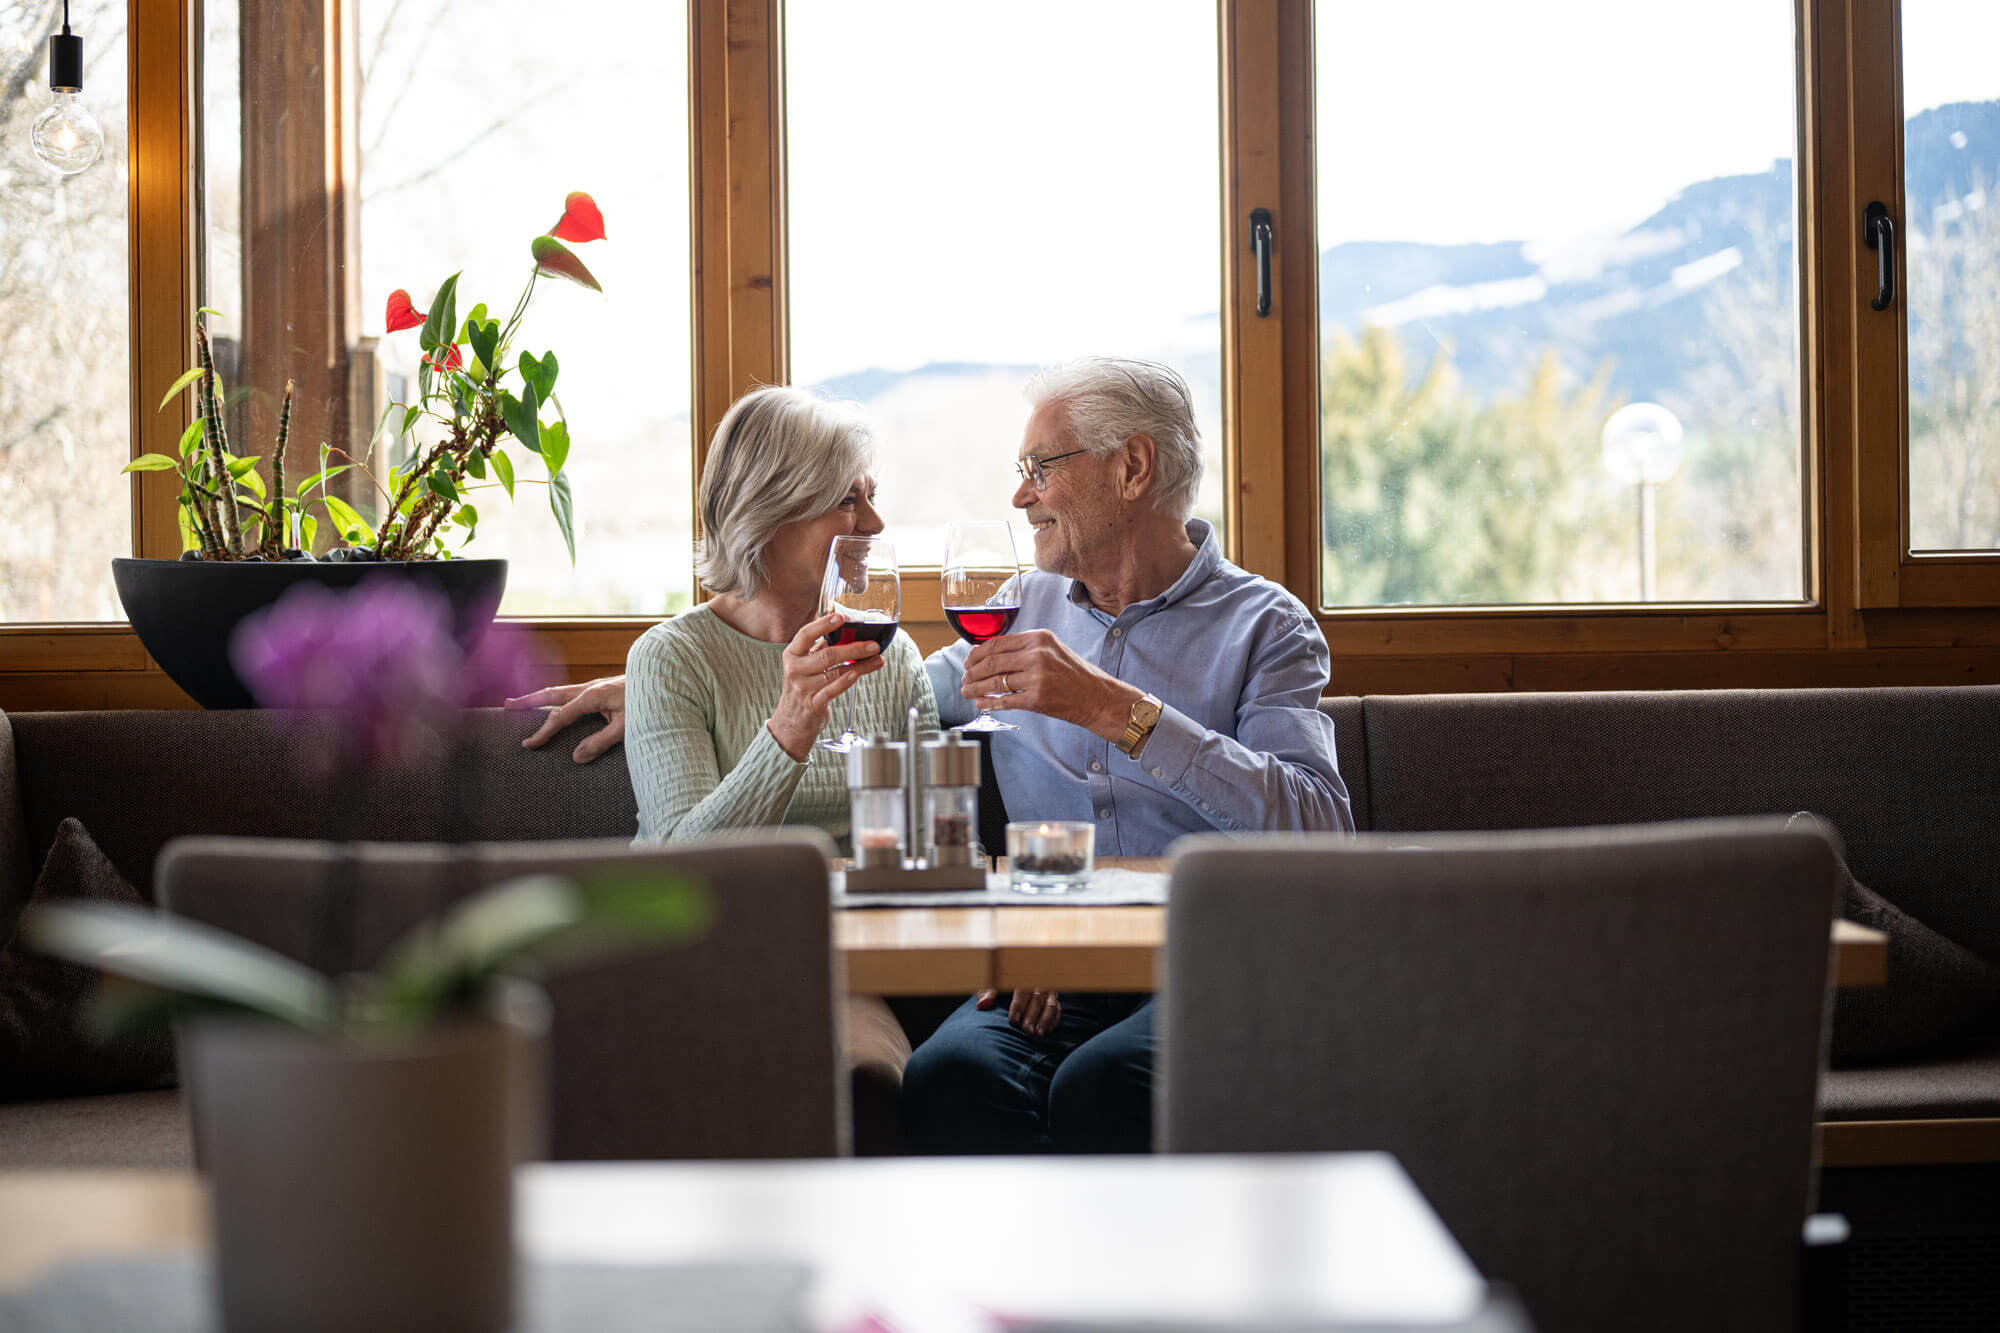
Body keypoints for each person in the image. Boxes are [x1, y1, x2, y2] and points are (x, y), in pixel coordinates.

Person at [900, 356, 1353, 1154]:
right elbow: (894, 692)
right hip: (1056, 962)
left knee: (1103, 1085)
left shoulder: (1266, 626)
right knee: (948, 1078)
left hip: (1214, 960)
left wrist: (1118, 711)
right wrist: (665, 669)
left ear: (1132, 467)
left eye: (1040, 468)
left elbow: (1319, 824)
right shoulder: (1017, 610)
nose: (1020, 495)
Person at [517, 383, 935, 1151]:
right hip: (703, 954)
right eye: (848, 502)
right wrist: (789, 727)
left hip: (856, 955)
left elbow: (931, 843)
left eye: (871, 498)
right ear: (771, 515)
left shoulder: (895, 654)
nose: (873, 525)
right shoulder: (672, 659)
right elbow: (685, 864)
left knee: (892, 1074)